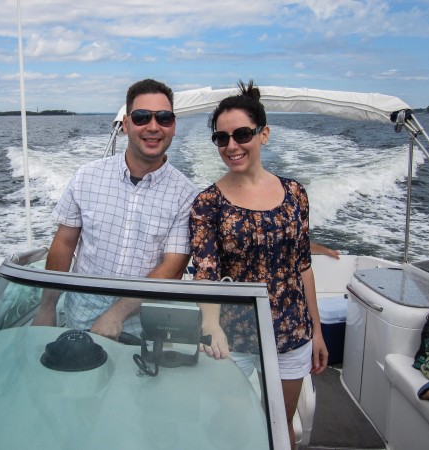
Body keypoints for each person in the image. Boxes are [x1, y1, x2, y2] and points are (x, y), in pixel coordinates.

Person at [189, 80, 328, 449]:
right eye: (221, 138)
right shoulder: (208, 203)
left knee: (280, 430)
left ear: (263, 134)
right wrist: (209, 325)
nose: (232, 146)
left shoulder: (296, 192)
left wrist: (316, 330)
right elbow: (205, 274)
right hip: (231, 337)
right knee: (230, 430)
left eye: (242, 134)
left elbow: (303, 266)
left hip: (291, 332)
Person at [33, 79, 199, 340]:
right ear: (125, 124)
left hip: (145, 332)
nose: (153, 127)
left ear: (174, 126)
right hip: (80, 320)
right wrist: (47, 306)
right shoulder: (86, 177)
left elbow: (173, 267)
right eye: (142, 117)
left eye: (164, 118)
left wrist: (117, 314)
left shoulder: (187, 195)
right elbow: (64, 244)